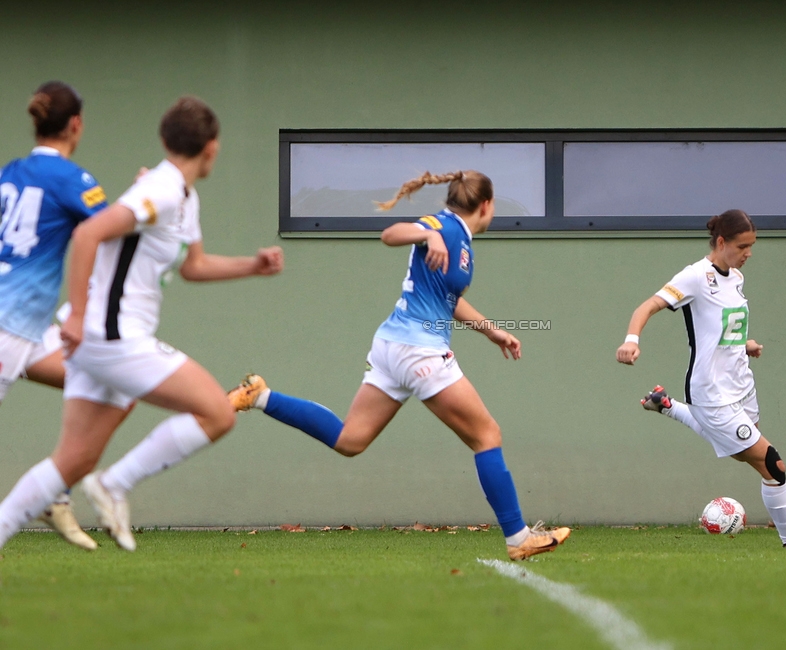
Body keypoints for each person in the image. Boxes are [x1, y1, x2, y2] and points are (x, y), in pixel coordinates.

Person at [228, 170, 570, 561]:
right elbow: (390, 234)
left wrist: (492, 331)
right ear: (487, 205)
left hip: (394, 346)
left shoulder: (462, 242)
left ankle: (259, 396)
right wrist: (427, 234)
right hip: (418, 350)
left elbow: (447, 300)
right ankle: (517, 537)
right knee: (487, 435)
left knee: (350, 440)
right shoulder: (443, 225)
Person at [0, 96, 284, 552]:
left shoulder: (182, 197)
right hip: (111, 336)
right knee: (215, 411)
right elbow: (88, 233)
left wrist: (252, 265)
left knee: (72, 461)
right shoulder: (162, 189)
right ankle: (115, 483)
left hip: (102, 341)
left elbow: (194, 266)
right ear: (211, 149)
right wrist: (74, 314)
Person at [616, 209, 786, 549]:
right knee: (772, 464)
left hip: (741, 385)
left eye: (752, 246)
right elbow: (646, 306)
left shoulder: (735, 277)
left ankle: (667, 405)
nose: (748, 253)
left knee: (739, 453)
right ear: (721, 242)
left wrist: (744, 344)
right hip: (711, 390)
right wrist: (631, 340)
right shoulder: (695, 276)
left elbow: (723, 326)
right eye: (742, 246)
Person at [0, 81, 118, 550]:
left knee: (101, 381)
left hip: (28, 332)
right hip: (9, 327)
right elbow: (113, 232)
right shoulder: (72, 179)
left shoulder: (10, 172)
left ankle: (55, 493)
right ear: (76, 125)